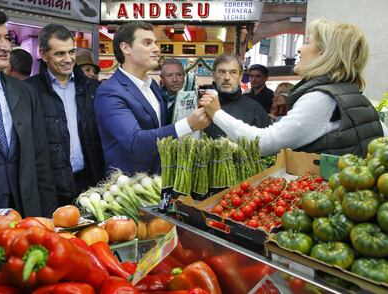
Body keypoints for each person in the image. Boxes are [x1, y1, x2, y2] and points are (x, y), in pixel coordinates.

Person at [200, 19, 387, 158]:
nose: (299, 49)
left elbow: (263, 144)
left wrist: (217, 113)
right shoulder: (352, 94)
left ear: (324, 53)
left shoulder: (321, 99)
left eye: (307, 42)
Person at [0, 4, 57, 218]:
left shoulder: (25, 92)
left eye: (6, 38)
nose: (5, 46)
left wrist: (46, 219)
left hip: (24, 217)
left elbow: (40, 159)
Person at [95, 21, 210, 175]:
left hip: (158, 178)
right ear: (126, 48)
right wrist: (188, 124)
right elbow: (135, 142)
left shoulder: (153, 86)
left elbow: (158, 128)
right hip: (128, 187)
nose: (156, 49)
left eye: (155, 43)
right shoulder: (109, 92)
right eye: (147, 43)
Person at [26, 24, 104, 205]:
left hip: (89, 184)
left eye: (71, 52)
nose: (68, 59)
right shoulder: (29, 91)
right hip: (50, 188)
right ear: (43, 55)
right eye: (60, 54)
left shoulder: (92, 89)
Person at [204, 54, 271, 139]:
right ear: (214, 75)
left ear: (240, 76)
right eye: (222, 72)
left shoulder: (255, 110)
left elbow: (266, 144)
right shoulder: (200, 107)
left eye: (233, 72)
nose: (227, 77)